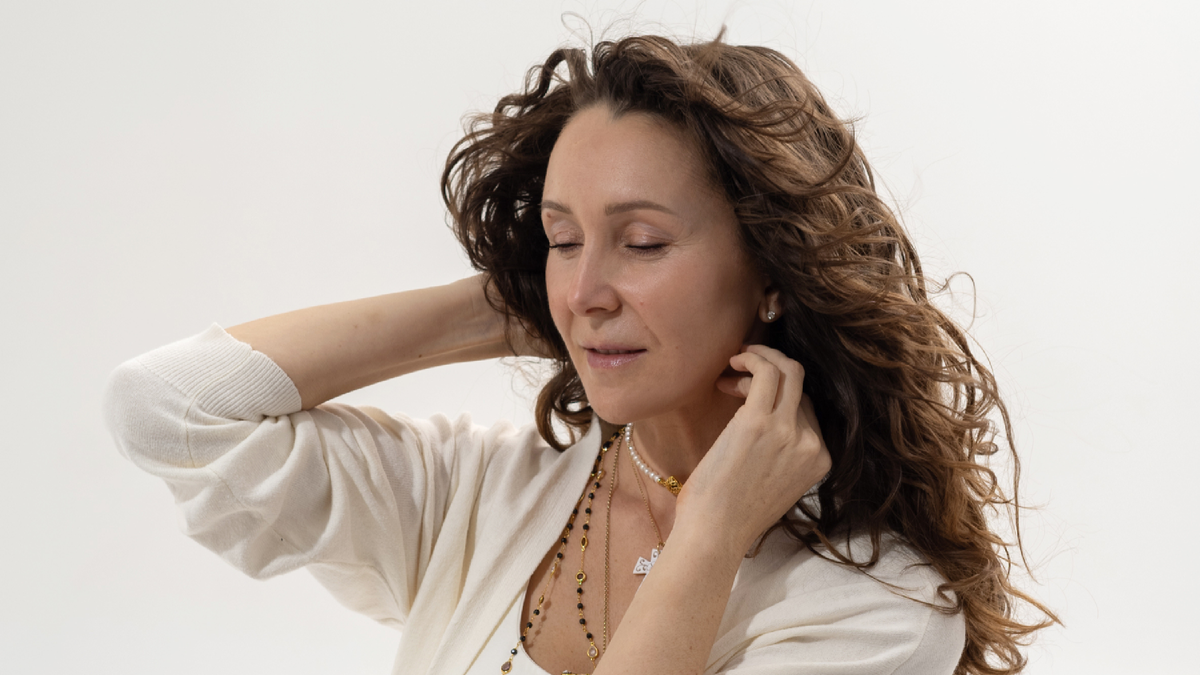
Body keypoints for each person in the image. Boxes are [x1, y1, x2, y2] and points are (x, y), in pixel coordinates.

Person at [103, 33, 1054, 675]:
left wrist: (710, 537)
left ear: (773, 271)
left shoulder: (878, 610)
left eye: (641, 242)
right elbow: (169, 407)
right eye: (563, 239)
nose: (588, 288)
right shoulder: (481, 494)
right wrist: (507, 305)